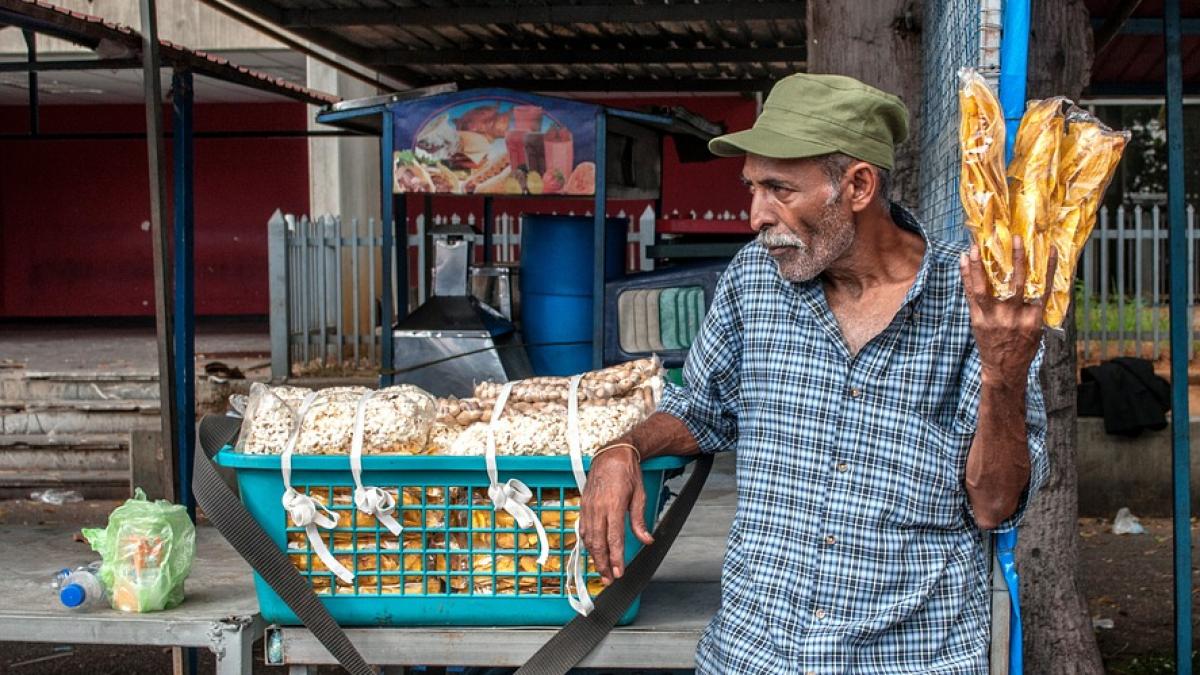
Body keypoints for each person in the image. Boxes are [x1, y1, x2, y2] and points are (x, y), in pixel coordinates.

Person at [579, 73, 1055, 674]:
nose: (755, 215)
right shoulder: (755, 279)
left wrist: (1002, 376)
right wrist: (622, 449)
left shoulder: (980, 307)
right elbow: (701, 410)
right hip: (754, 655)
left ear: (857, 185)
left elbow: (992, 505)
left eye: (779, 188)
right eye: (752, 187)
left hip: (905, 659)